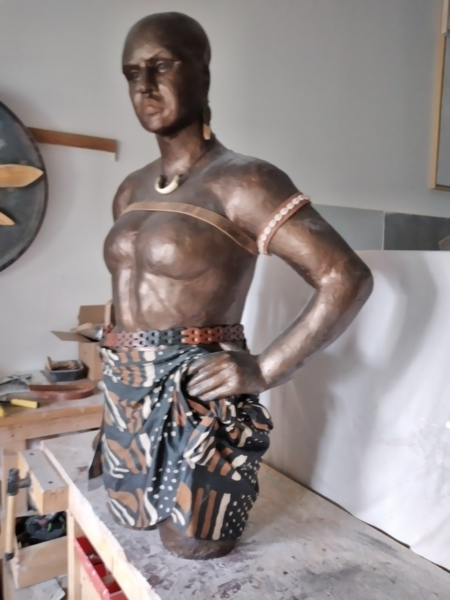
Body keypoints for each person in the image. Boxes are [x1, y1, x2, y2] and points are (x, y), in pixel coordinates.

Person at [98, 11, 373, 560]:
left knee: (193, 543)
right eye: (132, 73)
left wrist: (267, 369)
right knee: (128, 524)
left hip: (201, 391)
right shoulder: (130, 190)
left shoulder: (243, 181)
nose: (144, 86)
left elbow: (344, 276)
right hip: (124, 390)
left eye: (161, 66)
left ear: (202, 73)